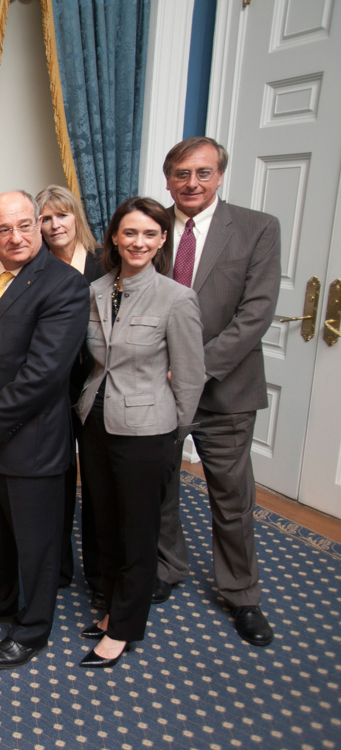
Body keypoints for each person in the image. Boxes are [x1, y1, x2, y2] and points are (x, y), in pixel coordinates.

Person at [0, 190, 88, 669]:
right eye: (4, 229)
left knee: (36, 543)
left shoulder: (64, 285)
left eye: (26, 225)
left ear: (40, 224)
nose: (17, 237)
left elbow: (44, 375)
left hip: (28, 440)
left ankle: (31, 629)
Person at [154, 136, 281, 647]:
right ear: (168, 179)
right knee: (160, 488)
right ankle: (167, 567)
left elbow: (257, 314)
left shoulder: (256, 229)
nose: (192, 183)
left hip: (225, 389)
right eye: (182, 174)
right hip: (156, 390)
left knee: (231, 498)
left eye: (203, 173)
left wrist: (194, 369)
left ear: (220, 176)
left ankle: (242, 592)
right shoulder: (150, 227)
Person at [75, 197, 204, 668]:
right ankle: (111, 609)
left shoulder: (176, 298)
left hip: (148, 432)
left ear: (162, 239)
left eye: (150, 234)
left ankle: (125, 628)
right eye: (130, 233)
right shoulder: (97, 289)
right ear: (114, 236)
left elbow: (190, 379)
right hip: (95, 422)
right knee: (104, 523)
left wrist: (176, 437)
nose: (138, 242)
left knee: (137, 530)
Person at [36, 184, 106, 602]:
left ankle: (98, 574)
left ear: (76, 216)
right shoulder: (39, 266)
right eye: (45, 217)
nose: (54, 224)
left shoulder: (106, 262)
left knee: (97, 485)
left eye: (61, 215)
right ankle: (59, 567)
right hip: (55, 391)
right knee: (58, 483)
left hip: (98, 387)